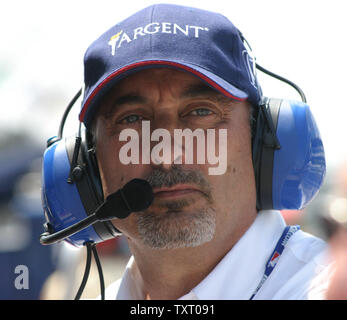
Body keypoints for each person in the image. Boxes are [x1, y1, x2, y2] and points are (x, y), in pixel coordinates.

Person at [65, 4, 335, 299]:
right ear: (90, 164)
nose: (167, 156)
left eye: (201, 112)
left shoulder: (326, 288)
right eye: (132, 120)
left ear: (263, 140)